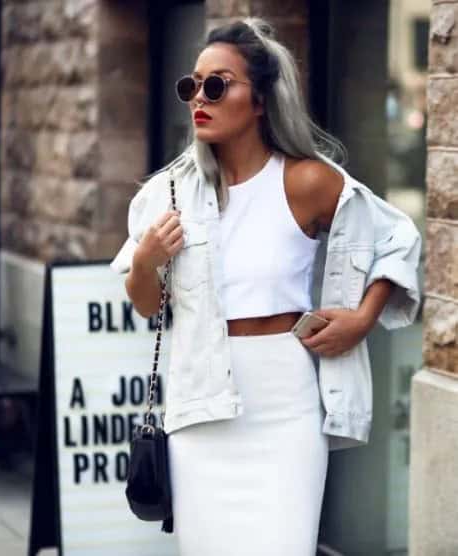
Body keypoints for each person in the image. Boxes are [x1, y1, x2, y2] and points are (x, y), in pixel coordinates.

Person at [110, 17, 422, 556]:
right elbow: (145, 305)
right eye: (192, 86)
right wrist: (145, 259)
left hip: (286, 407)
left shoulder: (306, 180)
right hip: (200, 405)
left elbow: (398, 237)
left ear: (259, 100)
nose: (198, 99)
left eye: (217, 84)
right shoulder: (169, 192)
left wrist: (362, 319)